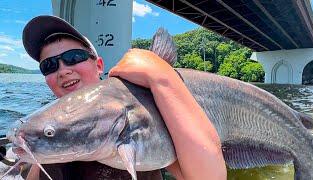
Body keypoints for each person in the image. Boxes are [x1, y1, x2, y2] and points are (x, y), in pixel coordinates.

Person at [21, 15, 226, 180]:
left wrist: (161, 77)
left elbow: (209, 176)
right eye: (49, 65)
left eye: (73, 57)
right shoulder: (45, 135)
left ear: (99, 65)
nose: (63, 70)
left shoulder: (144, 106)